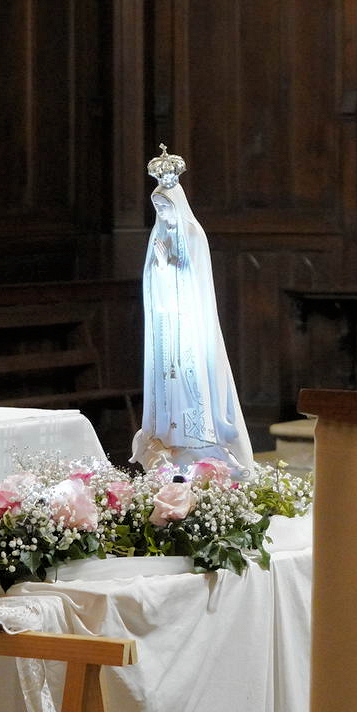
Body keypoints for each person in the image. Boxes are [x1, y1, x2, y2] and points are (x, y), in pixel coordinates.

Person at [131, 146, 253, 472]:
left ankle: (201, 448)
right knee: (168, 387)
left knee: (191, 384)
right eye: (157, 207)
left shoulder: (193, 234)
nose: (162, 213)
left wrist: (169, 263)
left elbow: (194, 280)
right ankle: (169, 443)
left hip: (189, 327)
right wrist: (158, 266)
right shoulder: (158, 237)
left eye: (165, 206)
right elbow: (152, 282)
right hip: (167, 327)